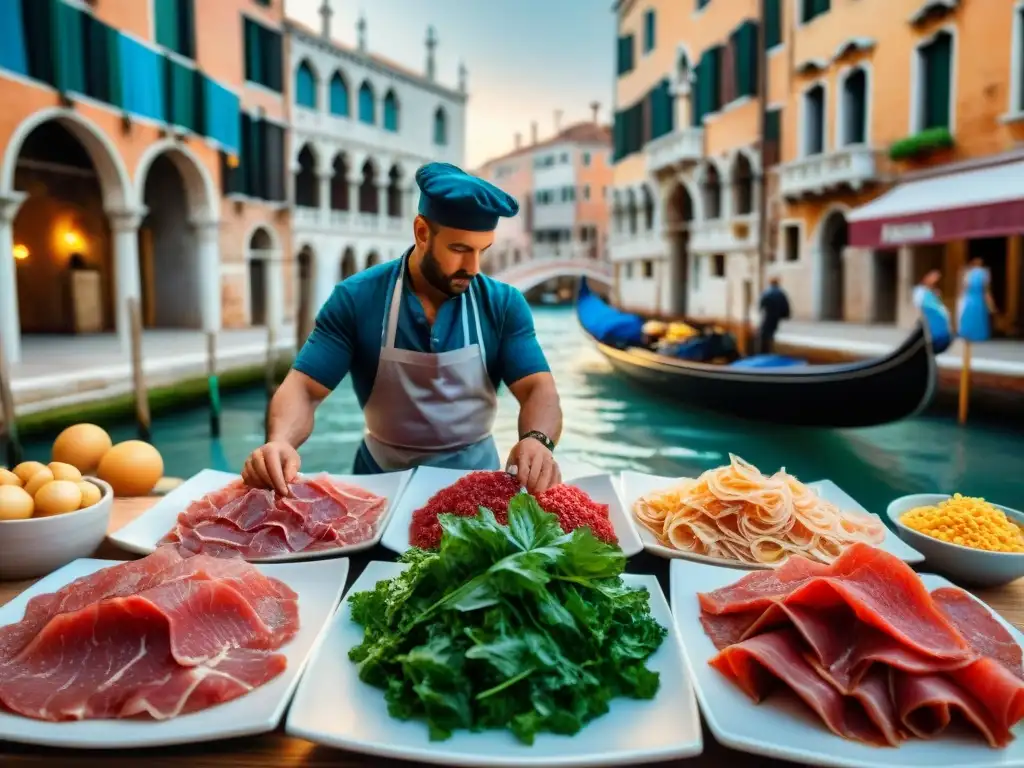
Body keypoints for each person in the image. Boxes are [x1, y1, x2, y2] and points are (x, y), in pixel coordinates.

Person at [242, 162, 563, 495]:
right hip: (379, 484)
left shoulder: (503, 304)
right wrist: (280, 442)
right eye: (459, 249)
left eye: (482, 250)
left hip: (477, 486)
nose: (472, 267)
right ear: (422, 232)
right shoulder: (356, 299)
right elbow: (304, 389)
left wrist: (536, 440)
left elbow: (539, 389)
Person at [957, 257, 995, 343]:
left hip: (970, 297)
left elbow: (964, 287)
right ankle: (978, 335)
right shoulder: (984, 273)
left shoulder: (968, 273)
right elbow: (986, 289)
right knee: (978, 316)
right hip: (978, 297)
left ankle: (967, 334)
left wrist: (961, 297)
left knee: (970, 315)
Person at [757, 277, 791, 354]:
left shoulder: (767, 292)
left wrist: (760, 311)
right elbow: (785, 305)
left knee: (764, 333)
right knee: (771, 332)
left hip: (768, 315)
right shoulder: (781, 293)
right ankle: (769, 349)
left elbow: (761, 304)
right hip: (776, 316)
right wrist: (785, 315)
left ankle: (763, 351)